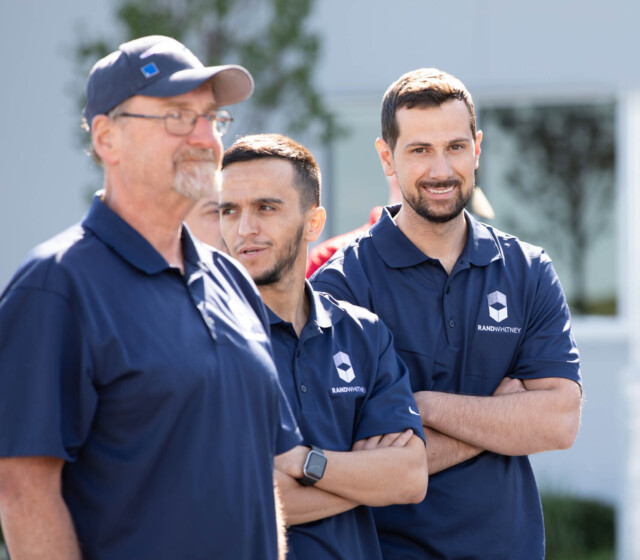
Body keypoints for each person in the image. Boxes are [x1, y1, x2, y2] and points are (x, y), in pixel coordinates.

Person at [0, 35, 301, 560]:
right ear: (106, 138)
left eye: (212, 117)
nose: (206, 137)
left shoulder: (234, 285)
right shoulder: (56, 287)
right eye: (178, 115)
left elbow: (258, 478)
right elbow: (24, 494)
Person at [311, 68, 582, 559]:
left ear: (477, 147)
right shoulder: (340, 288)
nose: (441, 170)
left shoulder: (526, 270)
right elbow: (354, 463)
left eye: (455, 147)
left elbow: (559, 422)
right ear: (386, 157)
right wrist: (503, 415)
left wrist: (421, 406)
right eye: (419, 150)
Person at [218, 133, 428, 560]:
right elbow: (230, 501)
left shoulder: (364, 334)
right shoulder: (207, 339)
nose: (245, 229)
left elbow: (408, 477)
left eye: (266, 207)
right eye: (230, 211)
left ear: (314, 222)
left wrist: (302, 463)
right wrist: (363, 480)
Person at [306, 175, 494, 278]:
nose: (439, 172)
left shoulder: (497, 261)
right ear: (392, 165)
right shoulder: (331, 259)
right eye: (419, 151)